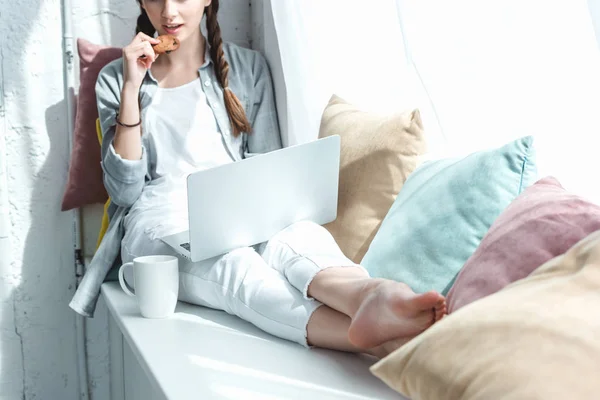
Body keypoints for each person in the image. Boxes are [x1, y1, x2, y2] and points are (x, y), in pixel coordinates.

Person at [74, 0, 447, 359]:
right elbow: (124, 191)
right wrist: (130, 88)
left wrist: (274, 217)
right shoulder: (117, 77)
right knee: (236, 267)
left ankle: (365, 294)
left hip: (236, 203)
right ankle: (371, 341)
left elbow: (268, 167)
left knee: (301, 236)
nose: (169, 12)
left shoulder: (247, 68)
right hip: (157, 222)